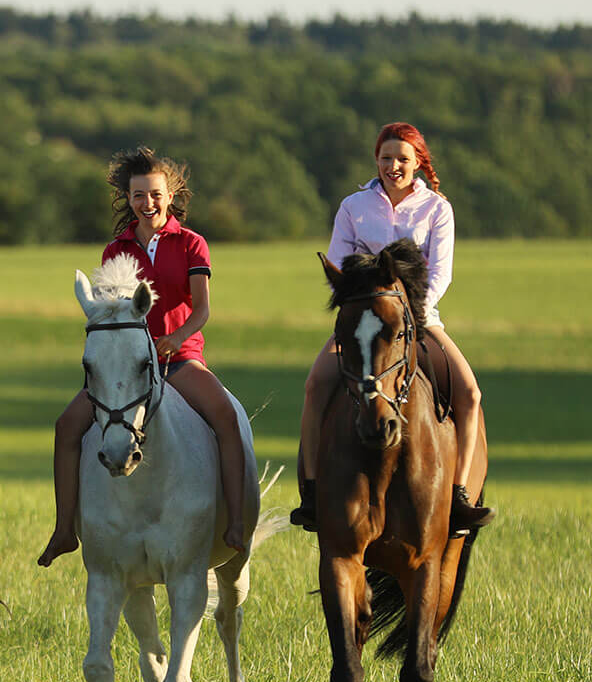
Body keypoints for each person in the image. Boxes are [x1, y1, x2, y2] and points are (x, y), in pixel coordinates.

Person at [38, 147, 248, 567]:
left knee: (225, 416)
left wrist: (175, 338)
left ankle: (238, 523)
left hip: (179, 359)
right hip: (128, 369)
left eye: (155, 194)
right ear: (128, 199)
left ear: (170, 196)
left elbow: (202, 310)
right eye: (138, 195)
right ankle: (64, 531)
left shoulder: (192, 244)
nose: (147, 203)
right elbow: (110, 314)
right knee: (66, 427)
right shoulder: (114, 250)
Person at [289, 121, 495, 536]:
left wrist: (410, 313)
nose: (393, 166)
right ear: (376, 161)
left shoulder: (438, 209)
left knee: (469, 393)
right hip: (364, 322)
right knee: (315, 386)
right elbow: (338, 265)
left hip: (420, 321)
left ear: (419, 162)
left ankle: (459, 497)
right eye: (386, 158)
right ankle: (311, 492)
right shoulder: (353, 207)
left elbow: (441, 274)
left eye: (402, 158)